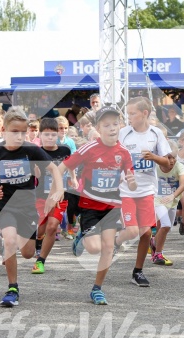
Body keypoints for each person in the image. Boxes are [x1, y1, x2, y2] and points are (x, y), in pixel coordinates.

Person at [0, 108, 64, 307]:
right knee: (9, 241)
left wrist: (58, 190)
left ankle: (12, 248)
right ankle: (12, 288)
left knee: (26, 253)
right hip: (5, 206)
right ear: (5, 129)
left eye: (23, 132)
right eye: (14, 131)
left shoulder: (31, 149)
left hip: (27, 208)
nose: (19, 136)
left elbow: (54, 169)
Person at [60, 106, 136, 304]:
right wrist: (56, 188)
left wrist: (131, 180)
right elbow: (64, 166)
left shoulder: (124, 152)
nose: (112, 128)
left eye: (115, 124)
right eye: (106, 125)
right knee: (94, 249)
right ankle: (81, 237)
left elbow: (131, 180)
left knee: (108, 247)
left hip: (112, 206)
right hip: (90, 205)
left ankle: (97, 288)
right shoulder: (89, 148)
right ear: (98, 128)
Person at [114, 96, 171, 287]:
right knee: (131, 231)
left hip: (148, 190)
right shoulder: (123, 133)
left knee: (146, 234)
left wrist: (153, 157)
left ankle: (137, 272)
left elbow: (168, 163)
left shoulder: (156, 134)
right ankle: (116, 241)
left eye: (132, 113)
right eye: (127, 113)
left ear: (144, 113)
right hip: (127, 191)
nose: (128, 116)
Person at [32, 118, 77, 274]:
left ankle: (40, 261)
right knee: (40, 229)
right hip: (40, 196)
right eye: (46, 135)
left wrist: (74, 178)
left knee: (52, 227)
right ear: (40, 135)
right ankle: (37, 244)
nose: (50, 138)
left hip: (59, 195)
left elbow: (70, 165)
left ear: (58, 134)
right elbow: (36, 175)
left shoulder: (64, 150)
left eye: (53, 134)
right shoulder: (36, 151)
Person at [150, 140, 184, 266]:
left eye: (174, 157)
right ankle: (158, 254)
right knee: (165, 225)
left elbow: (183, 184)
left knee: (167, 228)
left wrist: (173, 195)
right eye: (168, 157)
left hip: (172, 201)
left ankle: (154, 241)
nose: (171, 161)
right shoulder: (154, 167)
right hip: (157, 200)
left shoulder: (179, 166)